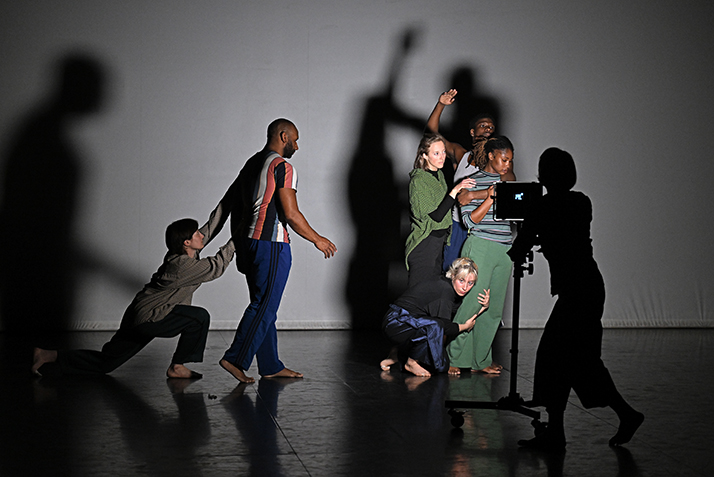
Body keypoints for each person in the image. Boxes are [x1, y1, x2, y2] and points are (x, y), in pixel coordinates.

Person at [508, 147, 644, 451]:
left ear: (544, 176)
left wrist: (522, 227)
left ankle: (616, 417)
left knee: (563, 360)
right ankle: (570, 429)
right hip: (590, 287)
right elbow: (565, 232)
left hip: (575, 293)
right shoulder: (582, 202)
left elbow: (520, 250)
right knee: (575, 361)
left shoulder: (542, 207)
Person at [208, 118, 337, 384]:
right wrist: (317, 239)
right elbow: (290, 214)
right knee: (264, 304)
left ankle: (270, 365)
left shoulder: (253, 163)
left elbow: (228, 204)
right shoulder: (283, 167)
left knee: (264, 304)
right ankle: (234, 359)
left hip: (249, 243)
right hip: (272, 245)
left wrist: (210, 236)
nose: (298, 146)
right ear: (283, 136)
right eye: (295, 139)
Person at [31, 216, 235, 378]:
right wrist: (240, 238)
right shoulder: (182, 265)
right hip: (151, 317)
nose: (202, 235)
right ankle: (177, 366)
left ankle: (48, 356)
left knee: (107, 362)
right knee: (199, 317)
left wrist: (232, 199)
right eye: (197, 233)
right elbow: (217, 267)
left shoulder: (188, 253)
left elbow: (212, 225)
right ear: (186, 242)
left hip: (138, 313)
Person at [424, 89, 514, 272]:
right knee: (452, 274)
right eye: (483, 126)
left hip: (485, 229)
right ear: (472, 132)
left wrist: (472, 195)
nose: (488, 129)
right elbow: (431, 136)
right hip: (459, 226)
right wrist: (441, 105)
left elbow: (509, 188)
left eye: (491, 127)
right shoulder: (461, 155)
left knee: (477, 279)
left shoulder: (499, 162)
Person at [446, 136, 515, 375]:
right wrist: (489, 196)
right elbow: (469, 221)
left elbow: (513, 196)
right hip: (480, 245)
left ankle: (481, 359)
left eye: (510, 160)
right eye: (504, 159)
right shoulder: (471, 182)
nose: (507, 164)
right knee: (473, 302)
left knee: (494, 308)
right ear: (490, 156)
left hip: (505, 249)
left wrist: (487, 194)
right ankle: (453, 356)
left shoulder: (507, 181)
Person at [381, 258, 490, 377]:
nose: (465, 287)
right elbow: (444, 327)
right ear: (453, 276)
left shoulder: (446, 285)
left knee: (431, 325)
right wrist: (464, 327)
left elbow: (454, 311)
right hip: (396, 322)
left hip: (397, 322)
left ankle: (395, 355)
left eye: (470, 283)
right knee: (434, 327)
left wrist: (483, 307)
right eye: (461, 280)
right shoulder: (445, 291)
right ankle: (411, 362)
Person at [404, 133, 475, 288]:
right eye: (436, 153)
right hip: (424, 244)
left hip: (439, 243)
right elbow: (436, 216)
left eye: (443, 152)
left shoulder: (439, 175)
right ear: (424, 155)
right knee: (418, 295)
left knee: (432, 294)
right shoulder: (419, 180)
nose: (442, 157)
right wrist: (455, 190)